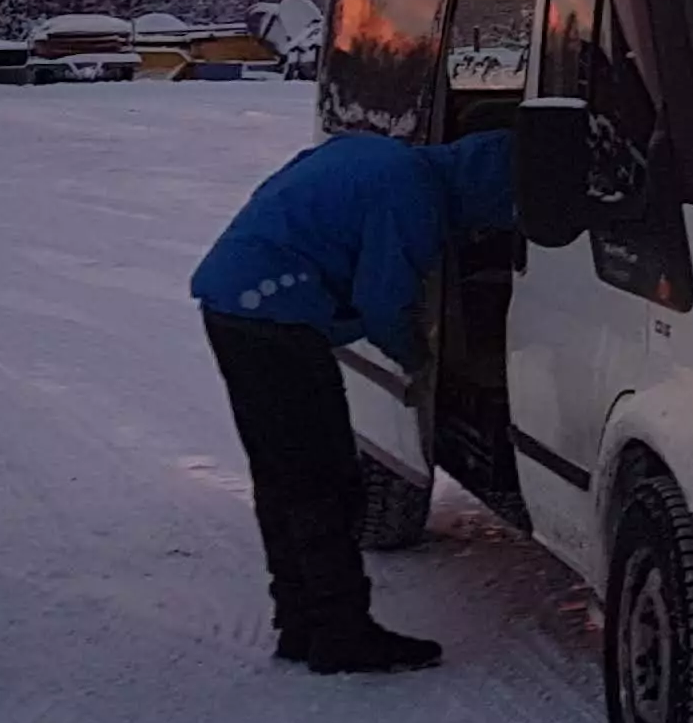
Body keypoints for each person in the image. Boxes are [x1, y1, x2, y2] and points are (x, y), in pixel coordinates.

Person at [190, 124, 518, 674]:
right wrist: (421, 364)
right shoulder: (412, 192)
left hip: (232, 300)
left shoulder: (378, 155)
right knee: (325, 479)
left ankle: (301, 622)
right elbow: (384, 302)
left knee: (283, 476)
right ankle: (342, 635)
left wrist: (339, 323)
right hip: (275, 312)